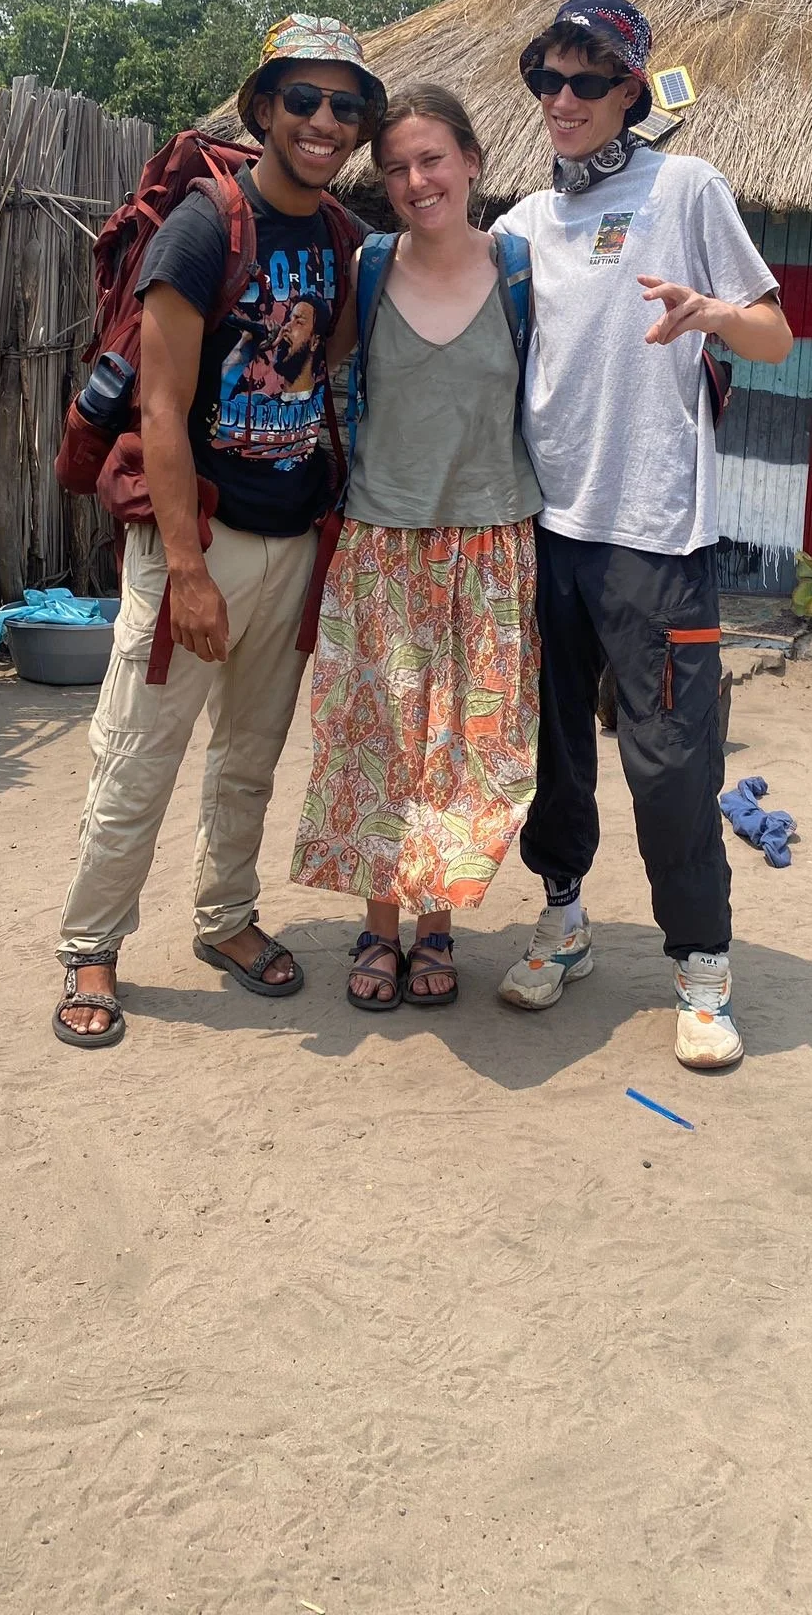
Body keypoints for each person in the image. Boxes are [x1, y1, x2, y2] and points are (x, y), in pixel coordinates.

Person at [53, 18, 381, 1047]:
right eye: (304, 99)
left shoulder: (340, 238)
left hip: (292, 539)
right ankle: (93, 942)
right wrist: (186, 570)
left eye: (344, 104)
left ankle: (225, 917)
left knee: (249, 752)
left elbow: (324, 376)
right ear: (264, 109)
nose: (325, 120)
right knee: (140, 754)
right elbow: (160, 408)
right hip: (197, 540)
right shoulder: (205, 227)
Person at [490, 0, 794, 1071]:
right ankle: (564, 919)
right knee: (555, 752)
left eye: (587, 81)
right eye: (547, 80)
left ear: (630, 90)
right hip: (546, 532)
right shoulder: (521, 223)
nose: (562, 100)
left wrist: (711, 314)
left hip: (658, 537)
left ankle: (702, 969)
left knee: (670, 761)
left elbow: (774, 330)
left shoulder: (685, 187)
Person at [291, 86, 541, 1011]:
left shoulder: (521, 268)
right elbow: (320, 362)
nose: (414, 181)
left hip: (491, 547)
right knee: (377, 745)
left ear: (473, 160)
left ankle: (439, 927)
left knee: (469, 749)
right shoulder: (367, 266)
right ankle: (381, 927)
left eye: (431, 159)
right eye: (394, 167)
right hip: (382, 547)